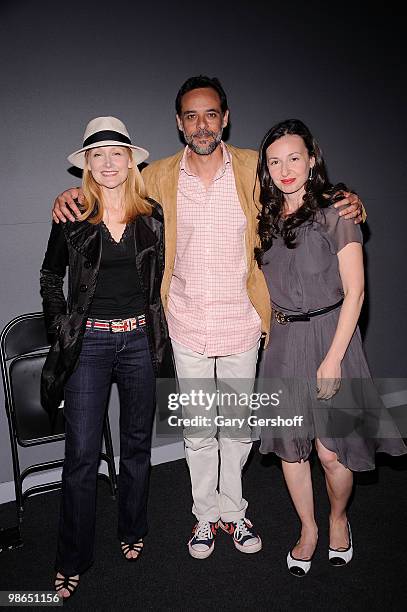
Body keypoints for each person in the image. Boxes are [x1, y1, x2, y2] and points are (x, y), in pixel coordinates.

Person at [51, 76, 363, 560]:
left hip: (242, 325)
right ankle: (204, 517)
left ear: (225, 118)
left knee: (237, 431)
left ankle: (234, 513)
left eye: (211, 114)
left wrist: (347, 199)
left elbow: (302, 188)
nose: (202, 124)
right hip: (186, 325)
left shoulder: (254, 168)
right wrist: (66, 197)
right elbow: (110, 187)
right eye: (191, 116)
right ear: (179, 124)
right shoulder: (156, 177)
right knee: (198, 432)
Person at [255, 118, 407, 576]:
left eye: (294, 158)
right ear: (265, 168)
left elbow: (356, 292)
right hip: (282, 342)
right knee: (290, 448)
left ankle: (338, 519)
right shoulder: (264, 217)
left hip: (331, 337)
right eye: (275, 161)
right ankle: (308, 528)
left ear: (312, 159)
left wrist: (335, 357)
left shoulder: (337, 211)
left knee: (331, 449)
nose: (285, 169)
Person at [40, 116, 168, 597]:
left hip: (139, 342)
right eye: (98, 155)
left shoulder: (152, 214)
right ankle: (71, 557)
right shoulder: (71, 216)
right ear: (87, 165)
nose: (109, 162)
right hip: (89, 345)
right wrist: (63, 330)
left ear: (131, 161)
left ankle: (133, 529)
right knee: (81, 455)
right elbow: (50, 278)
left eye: (117, 153)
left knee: (137, 445)